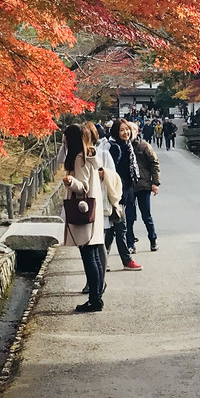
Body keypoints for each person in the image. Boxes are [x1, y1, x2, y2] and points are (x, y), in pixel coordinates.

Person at [63, 122, 121, 311]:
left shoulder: (79, 158)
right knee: (94, 255)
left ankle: (95, 299)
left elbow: (82, 186)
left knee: (90, 258)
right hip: (92, 212)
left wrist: (70, 182)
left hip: (84, 213)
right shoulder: (90, 156)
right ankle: (97, 296)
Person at [107, 120, 143, 271]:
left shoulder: (127, 146)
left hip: (126, 193)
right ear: (116, 132)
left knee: (111, 230)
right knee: (120, 228)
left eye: (127, 130)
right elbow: (111, 173)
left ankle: (103, 260)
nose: (125, 133)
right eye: (122, 130)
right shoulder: (115, 148)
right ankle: (126, 261)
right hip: (116, 195)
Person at [126, 120, 161, 252]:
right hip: (128, 186)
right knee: (129, 216)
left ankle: (153, 239)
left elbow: (154, 163)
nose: (128, 132)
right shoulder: (123, 146)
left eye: (131, 130)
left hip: (143, 185)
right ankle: (130, 243)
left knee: (146, 215)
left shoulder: (144, 146)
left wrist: (155, 183)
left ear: (136, 131)